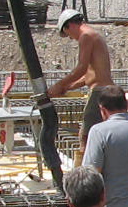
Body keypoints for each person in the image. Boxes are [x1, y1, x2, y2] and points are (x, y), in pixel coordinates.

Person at [44, 9, 113, 148]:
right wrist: (67, 87)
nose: (71, 38)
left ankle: (85, 162)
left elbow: (81, 68)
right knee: (102, 135)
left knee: (86, 137)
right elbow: (90, 75)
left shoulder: (86, 36)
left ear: (69, 25)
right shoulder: (93, 35)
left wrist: (58, 85)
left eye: (68, 34)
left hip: (99, 93)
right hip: (106, 91)